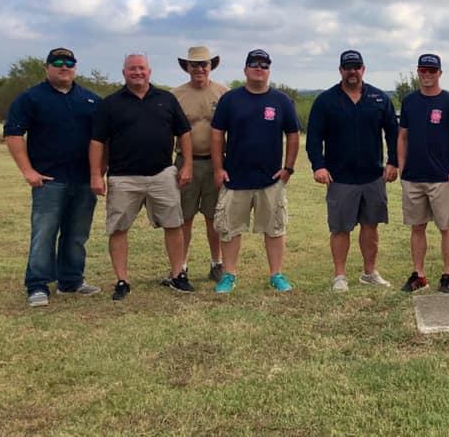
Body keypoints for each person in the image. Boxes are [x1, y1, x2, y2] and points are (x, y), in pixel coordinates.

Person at [90, 53, 194, 301]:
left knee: (173, 225)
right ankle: (122, 280)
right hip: (123, 178)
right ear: (124, 73)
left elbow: (184, 133)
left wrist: (187, 164)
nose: (138, 73)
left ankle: (178, 274)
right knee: (118, 228)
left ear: (150, 71)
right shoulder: (111, 104)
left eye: (142, 68)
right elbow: (97, 141)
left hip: (162, 174)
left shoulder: (166, 99)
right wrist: (96, 174)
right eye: (132, 69)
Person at [4, 48, 102, 307]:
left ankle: (71, 280)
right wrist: (28, 171)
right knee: (44, 233)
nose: (64, 66)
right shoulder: (31, 98)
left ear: (75, 67)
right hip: (49, 179)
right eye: (57, 62)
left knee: (77, 234)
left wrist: (98, 173)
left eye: (69, 62)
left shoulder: (90, 100)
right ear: (47, 67)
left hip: (83, 179)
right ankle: (37, 284)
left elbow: (102, 139)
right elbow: (13, 134)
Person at [306, 50, 398, 292]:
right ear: (340, 71)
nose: (352, 72)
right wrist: (319, 166)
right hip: (340, 177)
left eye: (356, 67)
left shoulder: (379, 98)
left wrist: (394, 162)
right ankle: (340, 276)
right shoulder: (326, 100)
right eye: (348, 67)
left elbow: (393, 133)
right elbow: (313, 137)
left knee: (371, 226)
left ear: (363, 69)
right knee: (340, 228)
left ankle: (369, 273)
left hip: (372, 176)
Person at [210, 50, 300, 294]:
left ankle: (276, 275)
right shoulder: (230, 100)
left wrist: (288, 168)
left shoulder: (281, 101)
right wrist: (218, 168)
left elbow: (293, 135)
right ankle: (229, 275)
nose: (259, 68)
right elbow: (217, 135)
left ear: (269, 70)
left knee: (274, 229)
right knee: (229, 229)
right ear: (245, 69)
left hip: (270, 180)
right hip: (235, 178)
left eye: (264, 65)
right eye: (254, 64)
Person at [396, 54, 449, 294]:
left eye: (431, 70)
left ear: (439, 73)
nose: (427, 75)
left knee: (445, 227)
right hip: (413, 177)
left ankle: (448, 275)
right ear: (418, 72)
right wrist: (402, 167)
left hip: (440, 178)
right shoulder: (409, 102)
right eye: (423, 70)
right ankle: (419, 275)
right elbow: (402, 136)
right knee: (417, 227)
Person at [172, 46, 229, 282]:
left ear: (211, 66)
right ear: (187, 67)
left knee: (213, 217)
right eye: (194, 64)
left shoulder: (224, 93)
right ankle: (181, 265)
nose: (199, 69)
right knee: (183, 217)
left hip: (214, 163)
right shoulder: (175, 95)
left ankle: (217, 263)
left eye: (203, 64)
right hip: (186, 163)